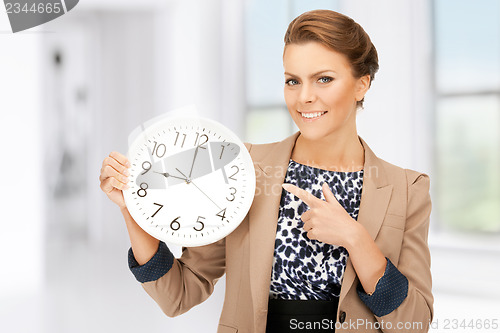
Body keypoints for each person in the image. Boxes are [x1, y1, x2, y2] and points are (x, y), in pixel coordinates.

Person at [99, 9, 433, 333]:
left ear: (362, 85)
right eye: (292, 81)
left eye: (324, 79)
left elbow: (414, 324)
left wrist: (356, 239)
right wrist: (132, 208)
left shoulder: (407, 189)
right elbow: (180, 294)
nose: (304, 97)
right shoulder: (245, 169)